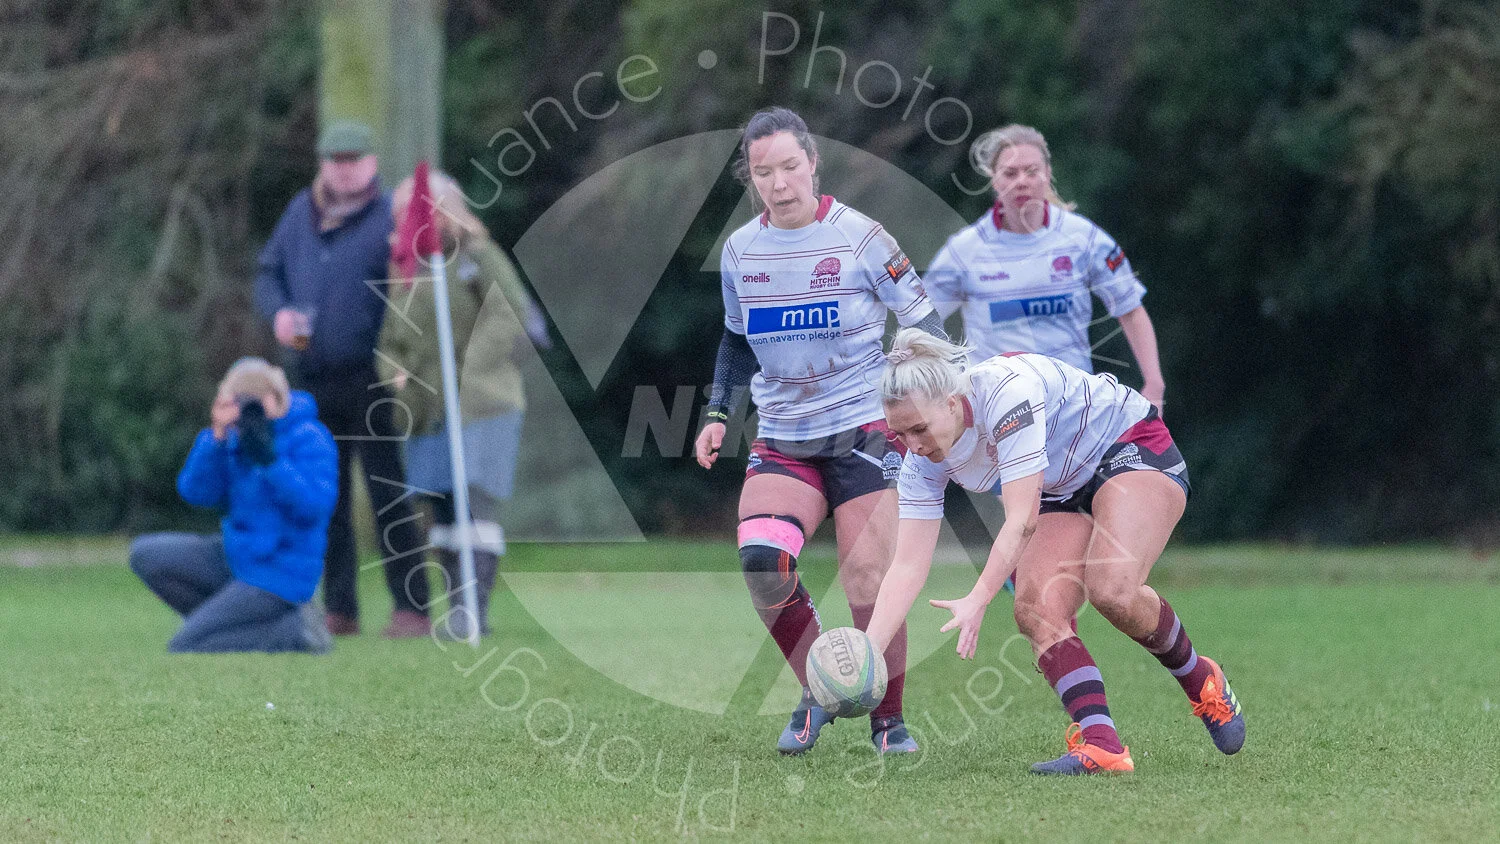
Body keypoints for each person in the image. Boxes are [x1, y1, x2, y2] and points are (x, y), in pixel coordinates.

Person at [865, 329, 1245, 774]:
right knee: (1036, 610)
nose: (913, 444)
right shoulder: (921, 462)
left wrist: (978, 596)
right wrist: (867, 654)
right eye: (900, 432)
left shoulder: (1006, 393)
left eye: (919, 428)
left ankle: (1201, 679)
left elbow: (1021, 520)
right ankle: (1102, 746)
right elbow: (907, 564)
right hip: (1060, 488)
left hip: (1126, 445)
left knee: (1113, 591)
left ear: (951, 401)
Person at [693, 107, 950, 756]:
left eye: (788, 166)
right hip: (784, 439)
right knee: (763, 562)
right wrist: (717, 412)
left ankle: (888, 720)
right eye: (762, 172)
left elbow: (924, 322)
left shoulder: (862, 237)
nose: (778, 182)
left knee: (868, 579)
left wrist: (925, 399)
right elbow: (732, 338)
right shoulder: (741, 251)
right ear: (750, 179)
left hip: (864, 432)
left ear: (812, 163)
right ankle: (819, 689)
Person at [253, 119, 433, 638]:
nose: (345, 169)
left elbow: (411, 287)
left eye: (354, 160)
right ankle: (339, 608)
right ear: (323, 164)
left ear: (372, 164)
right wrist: (279, 314)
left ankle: (412, 608)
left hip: (374, 378)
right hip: (311, 378)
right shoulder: (298, 214)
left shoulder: (388, 219)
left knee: (388, 493)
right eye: (336, 160)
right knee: (323, 495)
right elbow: (267, 273)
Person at [378, 168, 549, 640]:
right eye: (399, 215)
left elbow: (511, 313)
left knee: (477, 506)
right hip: (428, 410)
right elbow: (392, 339)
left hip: (484, 406)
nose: (405, 222)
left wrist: (469, 368)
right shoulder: (407, 269)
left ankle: (473, 612)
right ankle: (456, 607)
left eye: (412, 212)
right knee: (444, 509)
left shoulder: (477, 257)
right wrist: (393, 375)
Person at [925, 124, 1166, 410]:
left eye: (1031, 171)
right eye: (1010, 173)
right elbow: (919, 321)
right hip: (998, 409)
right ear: (994, 180)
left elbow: (1130, 310)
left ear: (1048, 175)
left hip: (1073, 405)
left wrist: (1154, 385)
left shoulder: (1083, 238)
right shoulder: (964, 250)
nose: (1021, 182)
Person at [130, 358, 337, 654]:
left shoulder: (309, 438)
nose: (250, 411)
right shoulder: (234, 438)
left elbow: (314, 507)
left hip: (281, 572)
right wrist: (216, 437)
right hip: (237, 556)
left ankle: (296, 632)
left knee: (185, 645)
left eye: (256, 401)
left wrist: (271, 463)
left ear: (277, 398)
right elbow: (195, 493)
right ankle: (227, 623)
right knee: (146, 555)